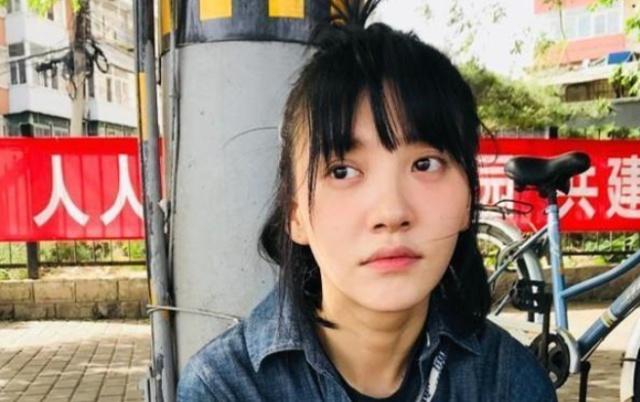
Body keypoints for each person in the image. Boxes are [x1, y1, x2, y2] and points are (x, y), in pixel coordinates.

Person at [177, 1, 557, 400]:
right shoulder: (225, 388)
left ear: (468, 200)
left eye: (425, 164)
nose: (391, 212)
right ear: (294, 213)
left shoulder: (509, 382)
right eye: (342, 171)